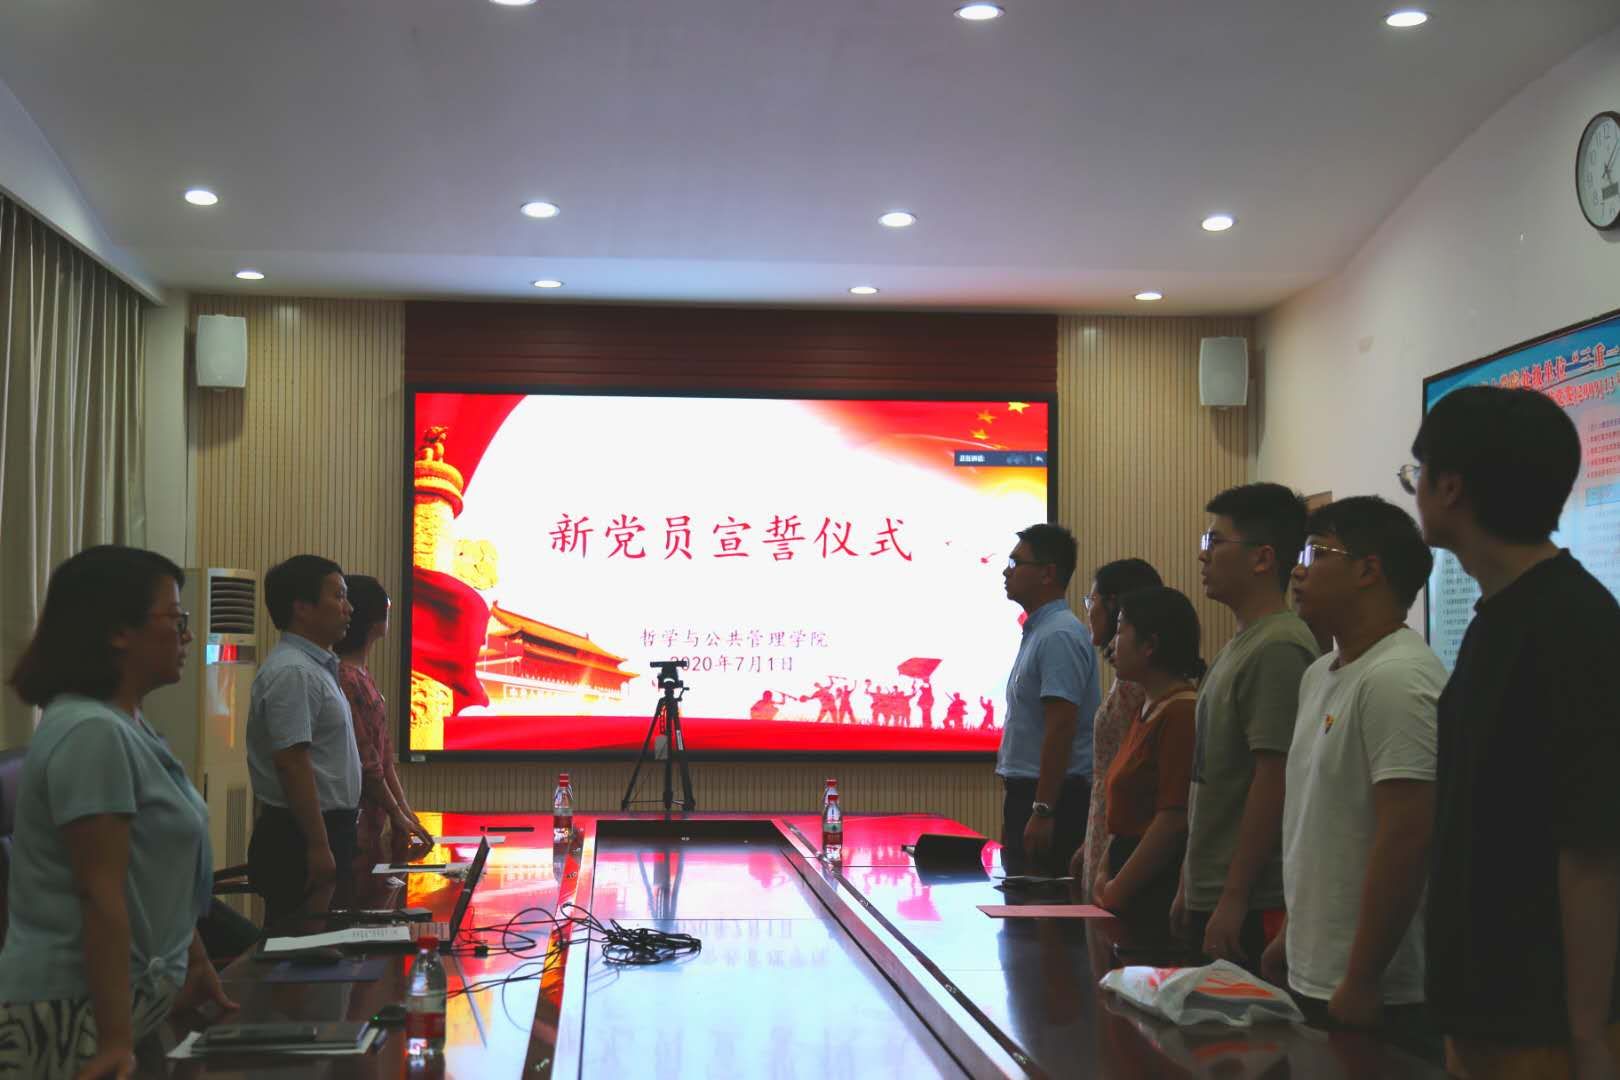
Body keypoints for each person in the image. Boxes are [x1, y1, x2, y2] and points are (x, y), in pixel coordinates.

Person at [1406, 386, 1620, 1078]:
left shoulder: (1574, 625)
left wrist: (1588, 1034)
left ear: (1451, 487)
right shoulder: (1497, 617)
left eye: (1417, 475)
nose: (1416, 492)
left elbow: (1592, 848)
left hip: (1540, 1022)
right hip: (1481, 1010)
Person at [0, 547, 235, 1079]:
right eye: (175, 619)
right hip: (71, 1013)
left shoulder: (127, 724)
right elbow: (99, 892)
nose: (187, 636)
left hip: (123, 1006)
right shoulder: (92, 733)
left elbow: (155, 872)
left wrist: (196, 961)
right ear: (117, 631)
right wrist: (114, 1038)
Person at [1262, 496, 1444, 1063]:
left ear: (1369, 570)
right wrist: (1291, 933)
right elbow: (1321, 821)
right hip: (1316, 965)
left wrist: (1363, 976)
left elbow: (1406, 838)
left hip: (1377, 987)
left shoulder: (1399, 678)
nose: (1298, 570)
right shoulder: (1321, 672)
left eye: (1317, 553)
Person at [1177, 483, 1319, 967]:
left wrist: (1234, 897)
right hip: (1214, 888)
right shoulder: (1244, 642)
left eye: (1215, 542)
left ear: (1262, 558)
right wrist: (1189, 882)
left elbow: (1273, 779)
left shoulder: (1279, 647)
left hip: (1251, 901)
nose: (1203, 555)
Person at [245, 555, 361, 927]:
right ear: (302, 608)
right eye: (338, 596)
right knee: (302, 950)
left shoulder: (316, 666)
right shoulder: (293, 671)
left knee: (323, 943)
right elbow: (292, 762)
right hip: (300, 836)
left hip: (324, 830)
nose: (348, 608)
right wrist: (318, 845)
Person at [1092, 586, 1202, 945]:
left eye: (1121, 630)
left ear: (1150, 645)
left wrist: (1119, 887)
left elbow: (1172, 819)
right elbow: (1126, 811)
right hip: (1125, 877)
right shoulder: (1148, 708)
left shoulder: (1181, 712)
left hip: (1153, 886)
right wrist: (1105, 869)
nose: (1113, 644)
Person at [997, 523, 1101, 876]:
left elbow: (1061, 727)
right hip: (1030, 795)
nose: (1006, 572)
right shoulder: (1040, 630)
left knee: (1043, 902)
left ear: (1047, 574)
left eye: (1015, 563)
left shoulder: (1059, 635)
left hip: (1054, 800)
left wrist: (1042, 809)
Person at [1071, 558, 1165, 906]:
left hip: (1122, 835)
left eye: (1091, 600)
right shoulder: (1125, 677)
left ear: (1113, 605)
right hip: (1105, 823)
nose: (1088, 611)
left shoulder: (1139, 683)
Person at [333, 575, 433, 897]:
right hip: (356, 822)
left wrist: (403, 810)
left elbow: (384, 755)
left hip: (373, 821)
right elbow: (368, 763)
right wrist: (396, 812)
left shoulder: (361, 674)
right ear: (374, 619)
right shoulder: (345, 678)